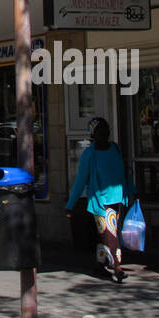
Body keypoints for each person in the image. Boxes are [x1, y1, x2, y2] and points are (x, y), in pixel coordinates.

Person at [65, 117, 134, 283]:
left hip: (117, 199)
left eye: (106, 129)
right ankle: (117, 267)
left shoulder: (115, 149)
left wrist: (133, 191)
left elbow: (123, 173)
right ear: (93, 134)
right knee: (111, 234)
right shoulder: (90, 154)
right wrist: (70, 204)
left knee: (105, 234)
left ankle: (99, 265)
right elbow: (81, 179)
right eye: (100, 131)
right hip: (100, 202)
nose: (105, 133)